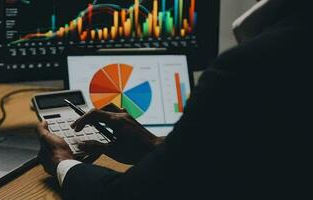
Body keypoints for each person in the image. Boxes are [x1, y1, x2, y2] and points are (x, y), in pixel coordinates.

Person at [37, 1, 312, 199]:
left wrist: (63, 162)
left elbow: (126, 195)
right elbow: (253, 173)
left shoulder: (250, 65)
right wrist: (156, 147)